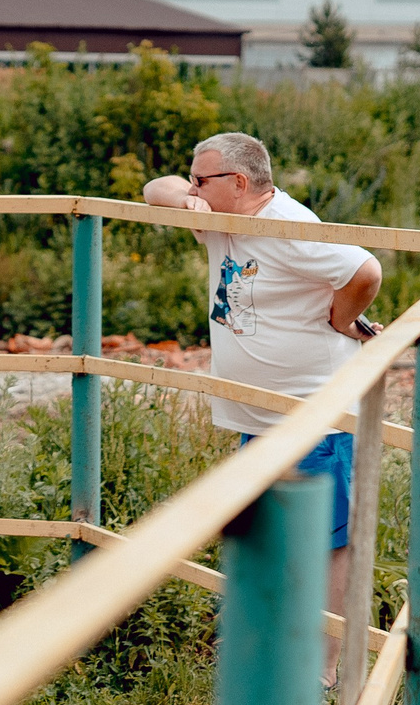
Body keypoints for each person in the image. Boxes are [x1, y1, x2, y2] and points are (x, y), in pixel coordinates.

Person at [143, 132, 382, 615]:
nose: (192, 187)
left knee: (328, 541)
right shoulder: (221, 215)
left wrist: (340, 319)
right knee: (273, 536)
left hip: (313, 410)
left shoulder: (287, 225)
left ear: (238, 181)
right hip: (260, 413)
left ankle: (326, 667)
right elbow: (154, 188)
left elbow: (366, 271)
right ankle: (278, 647)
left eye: (200, 180)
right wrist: (190, 200)